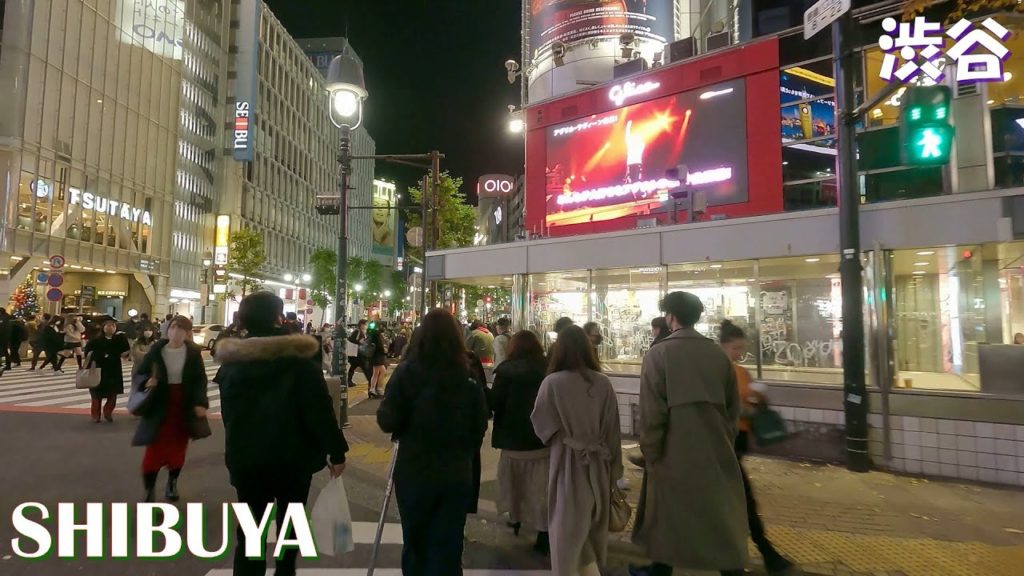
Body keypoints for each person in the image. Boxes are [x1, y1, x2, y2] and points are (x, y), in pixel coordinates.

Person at [215, 292, 348, 576]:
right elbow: (318, 410)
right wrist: (336, 450)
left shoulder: (232, 363)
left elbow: (229, 416)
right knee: (290, 531)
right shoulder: (298, 360)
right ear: (278, 318)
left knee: (251, 536)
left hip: (247, 459)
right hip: (292, 460)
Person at [631, 292, 748, 576]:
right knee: (717, 512)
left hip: (672, 449)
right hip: (715, 446)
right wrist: (724, 440)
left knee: (667, 514)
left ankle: (660, 569)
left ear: (670, 316)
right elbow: (734, 408)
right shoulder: (717, 355)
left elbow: (651, 412)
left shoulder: (659, 354)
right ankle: (729, 569)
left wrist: (651, 452)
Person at [377, 309, 488, 575]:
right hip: (457, 470)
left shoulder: (407, 372)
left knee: (416, 542)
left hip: (414, 468)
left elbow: (387, 420)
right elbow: (480, 424)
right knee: (448, 545)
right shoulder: (468, 372)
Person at [531, 325, 623, 576]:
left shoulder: (552, 383)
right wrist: (615, 469)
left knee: (566, 531)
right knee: (589, 533)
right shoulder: (603, 383)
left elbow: (541, 427)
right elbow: (613, 429)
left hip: (566, 464)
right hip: (598, 465)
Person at [719, 320, 793, 574]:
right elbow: (724, 407)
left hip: (737, 441)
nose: (739, 353)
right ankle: (765, 554)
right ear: (723, 346)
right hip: (724, 443)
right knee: (742, 501)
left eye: (742, 348)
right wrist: (748, 409)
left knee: (737, 501)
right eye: (735, 348)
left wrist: (758, 400)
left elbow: (745, 400)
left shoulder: (740, 372)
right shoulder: (718, 371)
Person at [132, 316, 209, 503]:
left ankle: (172, 482)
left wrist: (200, 402)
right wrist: (146, 382)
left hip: (183, 403)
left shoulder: (192, 352)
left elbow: (200, 379)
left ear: (188, 333)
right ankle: (149, 489)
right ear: (167, 330)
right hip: (159, 402)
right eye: (173, 327)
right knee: (154, 448)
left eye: (181, 328)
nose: (176, 331)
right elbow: (140, 373)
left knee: (178, 447)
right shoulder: (157, 350)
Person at [488, 330, 550, 554]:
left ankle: (515, 517)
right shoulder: (548, 370)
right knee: (541, 489)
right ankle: (544, 533)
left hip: (512, 440)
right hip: (541, 440)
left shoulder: (506, 372)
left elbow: (495, 403)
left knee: (514, 484)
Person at [83, 319, 130, 423]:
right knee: (96, 394)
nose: (110, 328)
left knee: (113, 394)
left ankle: (108, 412)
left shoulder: (118, 339)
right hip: (98, 368)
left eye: (113, 326)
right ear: (103, 327)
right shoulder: (96, 340)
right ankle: (96, 415)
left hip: (114, 369)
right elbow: (88, 353)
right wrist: (101, 355)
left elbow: (125, 353)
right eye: (108, 326)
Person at [367, 324, 388, 398]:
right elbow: (380, 347)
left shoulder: (372, 335)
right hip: (378, 358)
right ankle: (379, 389)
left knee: (375, 373)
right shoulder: (377, 336)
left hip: (374, 357)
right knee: (383, 372)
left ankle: (372, 389)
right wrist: (384, 350)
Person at [347, 319, 372, 385]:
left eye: (366, 324)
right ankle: (371, 382)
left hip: (361, 353)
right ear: (360, 325)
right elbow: (350, 339)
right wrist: (359, 342)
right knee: (365, 368)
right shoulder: (357, 331)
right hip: (357, 354)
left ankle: (349, 381)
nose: (365, 326)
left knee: (354, 367)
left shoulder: (365, 332)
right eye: (364, 324)